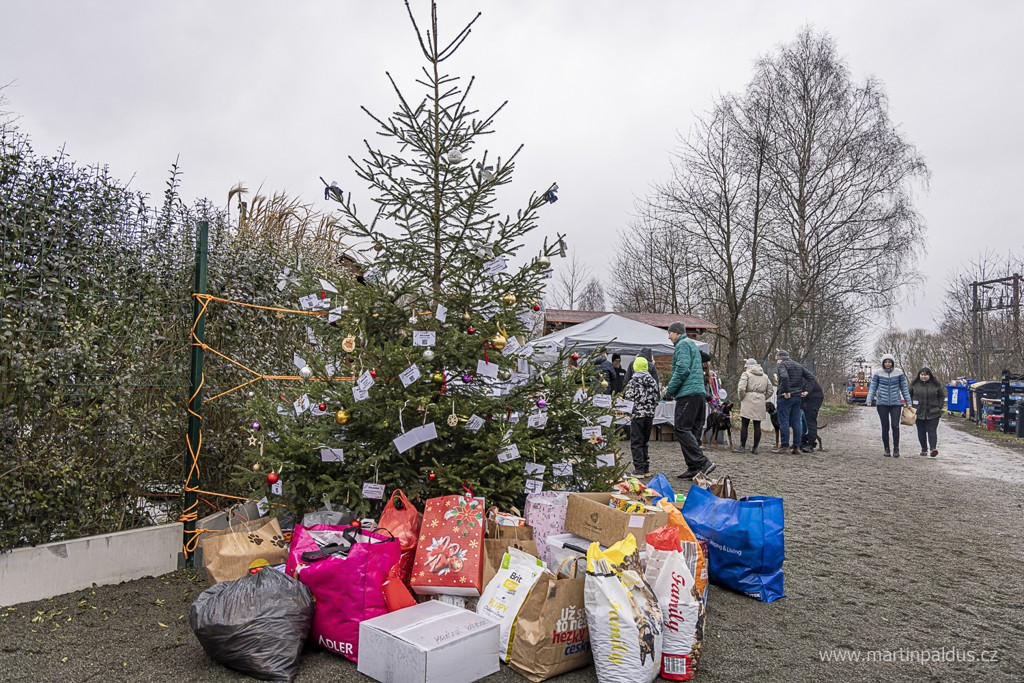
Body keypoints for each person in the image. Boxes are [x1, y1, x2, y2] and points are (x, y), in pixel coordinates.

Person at [664, 322, 716, 479]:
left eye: (670, 333)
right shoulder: (692, 344)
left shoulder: (682, 345)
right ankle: (694, 468)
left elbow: (682, 369)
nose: (669, 336)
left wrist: (670, 390)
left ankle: (702, 462)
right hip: (698, 393)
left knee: (681, 428)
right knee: (692, 430)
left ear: (677, 333)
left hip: (687, 393)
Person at [866, 353, 911, 457]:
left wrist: (908, 402)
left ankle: (896, 448)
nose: (887, 364)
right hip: (882, 403)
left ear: (892, 363)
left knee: (895, 426)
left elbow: (904, 388)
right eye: (886, 362)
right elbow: (873, 387)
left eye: (889, 362)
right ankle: (886, 448)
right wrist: (869, 399)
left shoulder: (899, 373)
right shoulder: (878, 373)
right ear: (883, 363)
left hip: (896, 403)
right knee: (885, 427)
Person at [771, 350, 814, 454]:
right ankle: (796, 447)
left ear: (780, 358)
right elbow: (811, 377)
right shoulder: (798, 365)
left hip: (785, 397)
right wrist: (807, 391)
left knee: (784, 421)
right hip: (797, 396)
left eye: (777, 359)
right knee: (796, 421)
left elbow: (785, 377)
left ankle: (784, 446)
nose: (777, 362)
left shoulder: (782, 365)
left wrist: (786, 391)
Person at [624, 357, 660, 476]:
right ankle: (646, 467)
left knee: (636, 441)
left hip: (637, 415)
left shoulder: (633, 381)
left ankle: (639, 468)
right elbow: (657, 398)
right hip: (649, 416)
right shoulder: (653, 381)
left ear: (635, 367)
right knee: (645, 441)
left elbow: (628, 397)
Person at [736, 358, 773, 454]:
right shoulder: (765, 376)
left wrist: (742, 398)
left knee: (745, 424)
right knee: (757, 425)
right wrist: (763, 398)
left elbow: (741, 388)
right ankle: (755, 448)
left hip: (748, 399)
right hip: (760, 400)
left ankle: (742, 447)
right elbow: (770, 390)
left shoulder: (746, 374)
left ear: (747, 365)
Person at [910, 367, 944, 457]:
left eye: (926, 375)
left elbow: (941, 396)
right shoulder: (914, 385)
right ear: (919, 375)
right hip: (918, 412)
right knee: (921, 431)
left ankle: (933, 448)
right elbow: (909, 396)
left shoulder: (935, 384)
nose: (924, 377)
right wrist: (911, 406)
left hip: (933, 412)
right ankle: (924, 449)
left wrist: (939, 406)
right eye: (922, 375)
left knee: (932, 430)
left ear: (929, 375)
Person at [801, 378, 825, 453]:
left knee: (810, 419)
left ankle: (811, 444)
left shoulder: (801, 375)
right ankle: (803, 442)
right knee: (803, 420)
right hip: (806, 397)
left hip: (814, 397)